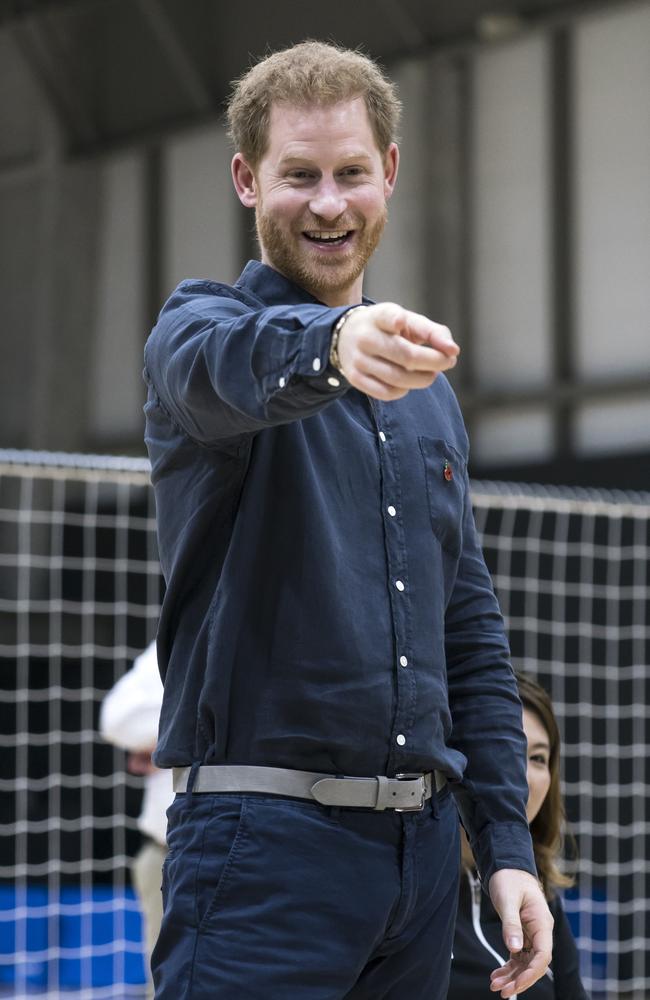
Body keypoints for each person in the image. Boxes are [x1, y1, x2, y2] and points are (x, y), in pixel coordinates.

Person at [142, 40, 553, 1000]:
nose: (328, 203)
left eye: (350, 173)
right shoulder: (198, 335)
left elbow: (469, 630)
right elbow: (226, 364)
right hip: (260, 858)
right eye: (299, 176)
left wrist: (503, 843)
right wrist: (335, 342)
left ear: (390, 175)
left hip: (419, 869)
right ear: (248, 181)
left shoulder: (427, 397)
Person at [448, 672, 588, 998]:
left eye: (538, 758)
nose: (519, 777)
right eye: (506, 752)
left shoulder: (543, 902)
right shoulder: (410, 892)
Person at [99, 641, 172, 998]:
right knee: (165, 987)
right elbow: (117, 718)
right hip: (168, 852)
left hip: (264, 845)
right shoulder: (180, 629)